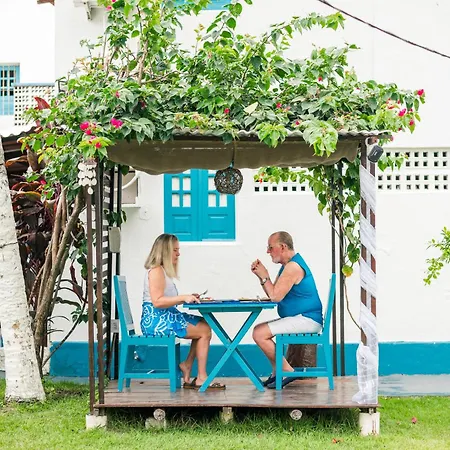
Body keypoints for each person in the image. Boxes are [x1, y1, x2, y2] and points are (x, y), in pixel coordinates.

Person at [140, 233, 225, 390]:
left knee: (203, 324)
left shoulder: (162, 271)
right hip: (156, 320)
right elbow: (157, 302)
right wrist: (183, 297)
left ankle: (188, 365)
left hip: (166, 316)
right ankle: (201, 377)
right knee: (204, 330)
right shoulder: (156, 271)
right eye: (175, 250)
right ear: (165, 251)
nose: (178, 254)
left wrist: (188, 297)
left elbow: (166, 299)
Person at [251, 231, 323, 389]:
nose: (268, 251)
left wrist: (264, 276)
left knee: (259, 333)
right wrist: (263, 277)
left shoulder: (293, 267)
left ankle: (286, 371)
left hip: (307, 319)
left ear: (282, 247)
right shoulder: (288, 266)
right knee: (259, 331)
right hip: (302, 318)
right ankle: (278, 371)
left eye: (270, 247)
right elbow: (274, 293)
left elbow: (275, 297)